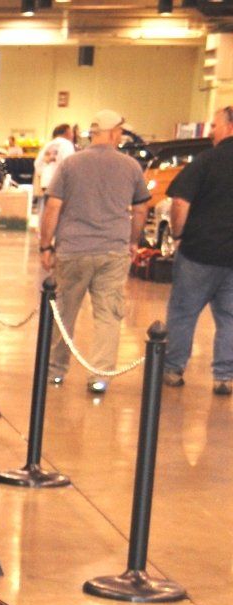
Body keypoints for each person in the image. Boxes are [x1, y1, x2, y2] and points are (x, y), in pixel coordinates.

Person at [38, 109, 150, 394]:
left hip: (73, 249)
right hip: (113, 251)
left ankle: (55, 371)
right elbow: (140, 208)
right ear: (113, 133)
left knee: (64, 311)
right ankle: (99, 376)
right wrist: (134, 241)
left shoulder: (71, 164)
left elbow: (53, 207)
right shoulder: (131, 167)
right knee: (108, 316)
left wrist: (46, 245)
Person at [161, 106, 233, 393]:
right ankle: (224, 376)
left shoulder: (207, 161)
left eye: (214, 126)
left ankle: (173, 369)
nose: (211, 131)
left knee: (183, 312)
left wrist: (178, 235)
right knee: (229, 317)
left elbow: (180, 201)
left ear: (229, 127)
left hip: (199, 252)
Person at [35, 123, 75, 202]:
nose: (73, 135)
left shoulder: (47, 145)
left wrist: (44, 174)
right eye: (71, 132)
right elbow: (69, 163)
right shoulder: (67, 144)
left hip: (46, 183)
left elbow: (37, 164)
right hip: (60, 184)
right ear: (67, 132)